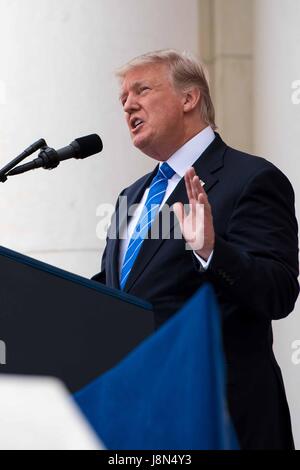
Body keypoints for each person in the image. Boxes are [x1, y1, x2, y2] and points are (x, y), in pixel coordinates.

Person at [92, 49, 299, 449]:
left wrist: (211, 250)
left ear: (189, 99)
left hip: (218, 414)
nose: (128, 105)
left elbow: (278, 292)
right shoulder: (129, 198)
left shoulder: (253, 178)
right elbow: (115, 293)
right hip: (142, 418)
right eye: (123, 100)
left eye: (142, 90)